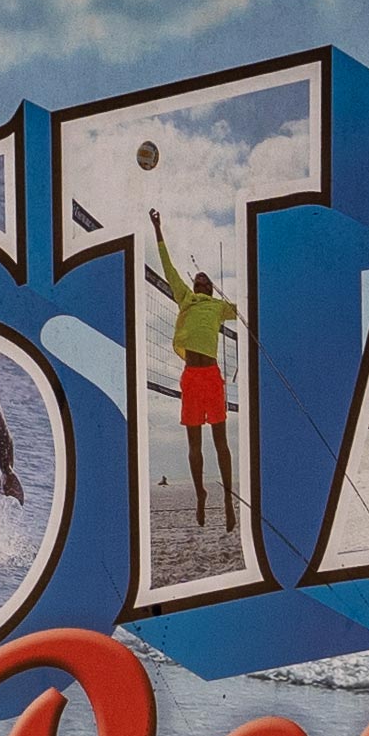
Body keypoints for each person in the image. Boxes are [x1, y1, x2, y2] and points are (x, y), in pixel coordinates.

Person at [148, 222, 238, 554]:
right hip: (191, 378)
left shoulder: (219, 308)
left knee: (221, 444)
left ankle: (228, 500)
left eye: (206, 279)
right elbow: (168, 266)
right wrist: (158, 230)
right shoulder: (185, 298)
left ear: (212, 290)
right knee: (195, 446)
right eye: (199, 277)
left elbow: (247, 309)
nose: (201, 278)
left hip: (212, 376)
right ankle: (200, 493)